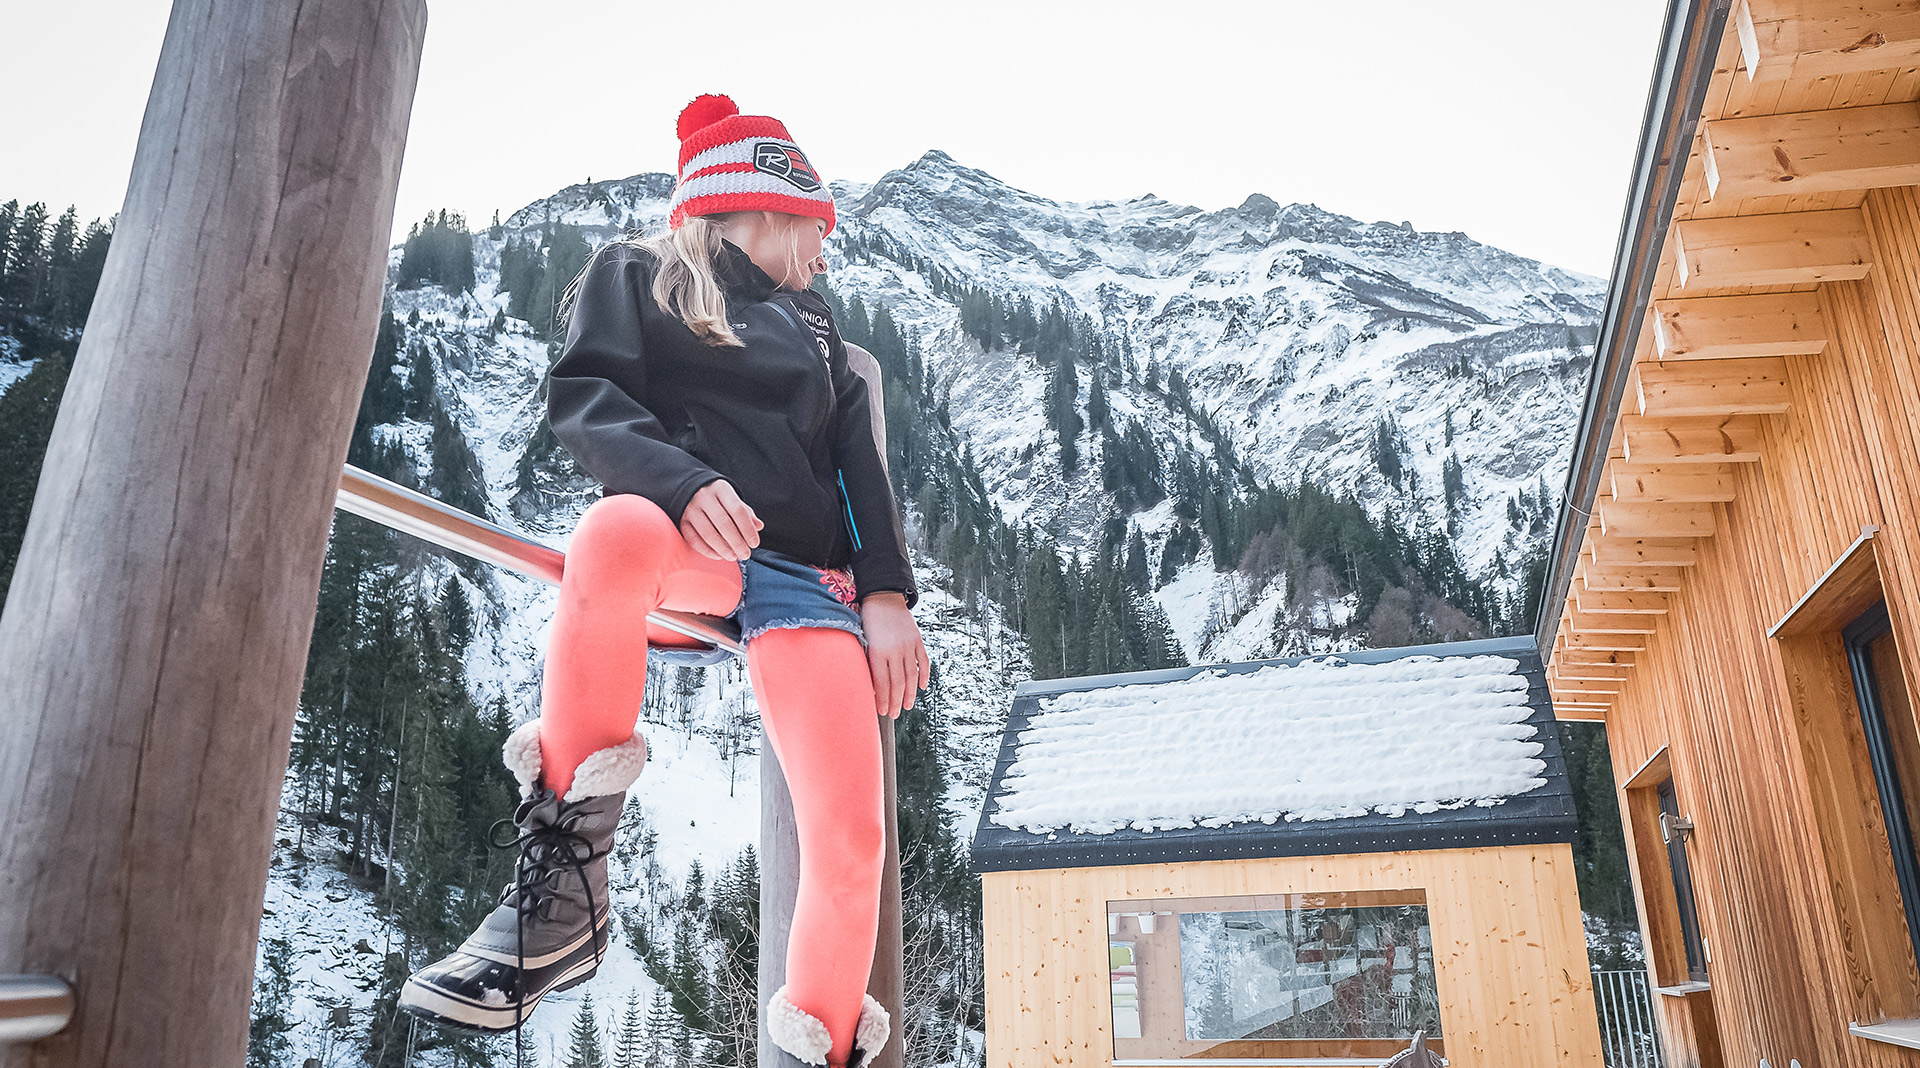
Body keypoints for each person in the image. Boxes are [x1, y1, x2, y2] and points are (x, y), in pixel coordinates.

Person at [398, 94, 930, 1068]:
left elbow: (860, 473)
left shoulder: (821, 331)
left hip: (805, 583)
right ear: (767, 203)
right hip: (691, 549)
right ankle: (564, 895)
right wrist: (683, 484)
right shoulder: (638, 275)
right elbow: (588, 398)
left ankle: (826, 1048)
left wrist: (887, 600)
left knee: (853, 843)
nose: (825, 255)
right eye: (818, 228)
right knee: (612, 532)